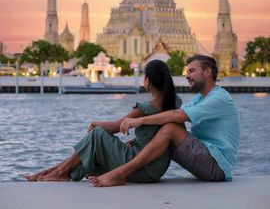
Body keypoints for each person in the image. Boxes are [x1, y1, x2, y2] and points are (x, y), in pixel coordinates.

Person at [89, 54, 240, 187]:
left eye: (191, 71)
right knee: (170, 124)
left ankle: (120, 174)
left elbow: (177, 115)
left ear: (207, 72)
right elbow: (173, 116)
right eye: (187, 71)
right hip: (206, 161)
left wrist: (140, 120)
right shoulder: (200, 99)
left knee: (171, 128)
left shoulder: (220, 98)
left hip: (218, 167)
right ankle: (104, 169)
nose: (187, 75)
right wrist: (136, 141)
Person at [23, 59, 182, 182]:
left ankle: (58, 173)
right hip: (155, 169)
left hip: (140, 166)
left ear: (147, 81)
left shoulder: (145, 107)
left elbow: (114, 127)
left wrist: (94, 123)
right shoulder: (175, 103)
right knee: (91, 154)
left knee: (97, 134)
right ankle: (50, 172)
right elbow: (153, 136)